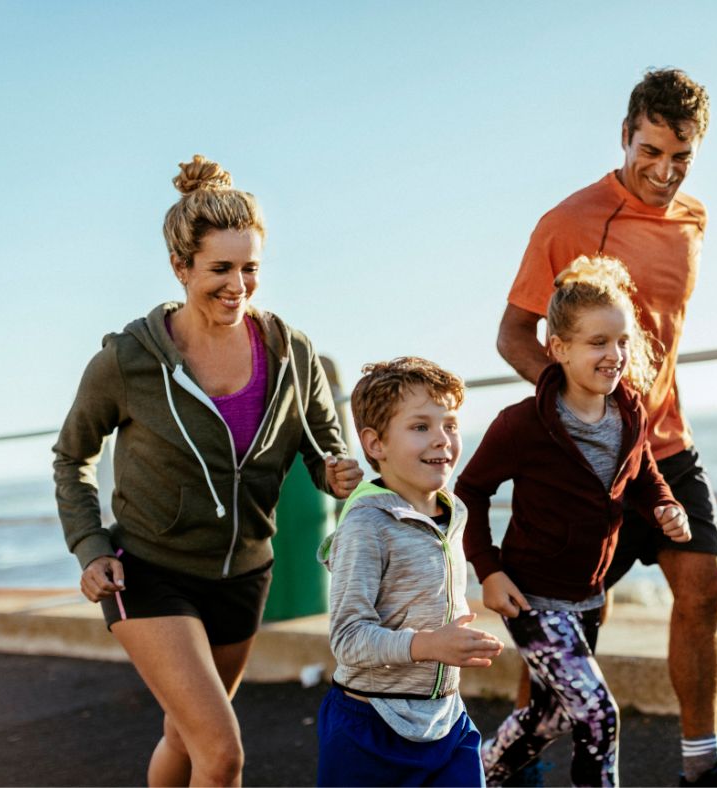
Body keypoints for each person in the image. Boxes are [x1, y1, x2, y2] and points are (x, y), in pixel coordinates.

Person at [53, 154, 363, 787]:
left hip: (245, 574)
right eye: (220, 269)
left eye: (250, 268)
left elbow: (322, 441)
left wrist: (335, 471)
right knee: (222, 753)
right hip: (149, 572)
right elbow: (71, 457)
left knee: (186, 735)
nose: (238, 286)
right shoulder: (129, 360)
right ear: (181, 267)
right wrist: (90, 549)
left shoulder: (289, 349)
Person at [496, 69, 717, 786]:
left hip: (667, 445)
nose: (664, 173)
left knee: (704, 585)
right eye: (650, 152)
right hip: (590, 458)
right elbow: (515, 334)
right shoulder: (568, 222)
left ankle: (702, 764)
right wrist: (575, 408)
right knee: (566, 631)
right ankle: (519, 767)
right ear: (624, 135)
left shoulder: (693, 221)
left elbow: (660, 338)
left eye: (681, 158)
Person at [457, 256, 690, 787]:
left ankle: (476, 775)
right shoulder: (522, 425)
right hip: (531, 596)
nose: (615, 355)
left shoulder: (629, 410)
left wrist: (666, 507)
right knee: (598, 715)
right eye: (597, 343)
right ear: (558, 349)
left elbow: (645, 474)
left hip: (587, 594)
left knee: (555, 713)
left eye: (622, 341)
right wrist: (488, 570)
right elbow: (469, 491)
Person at [316, 357, 504, 787]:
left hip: (446, 720)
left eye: (450, 425)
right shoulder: (365, 526)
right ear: (376, 444)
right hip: (369, 727)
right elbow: (347, 640)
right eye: (420, 427)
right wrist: (430, 645)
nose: (442, 439)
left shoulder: (453, 512)